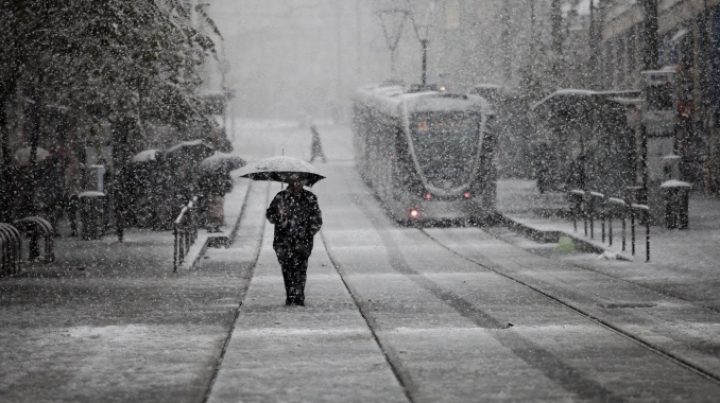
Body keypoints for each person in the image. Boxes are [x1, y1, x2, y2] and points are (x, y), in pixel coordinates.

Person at [266, 179, 323, 306]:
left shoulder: (309, 198)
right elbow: (270, 216)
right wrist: (280, 215)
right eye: (295, 182)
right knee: (287, 268)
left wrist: (307, 232)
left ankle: (299, 295)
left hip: (302, 242)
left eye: (300, 182)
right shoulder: (280, 197)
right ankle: (290, 294)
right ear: (290, 182)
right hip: (283, 241)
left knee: (300, 268)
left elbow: (317, 220)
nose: (297, 185)